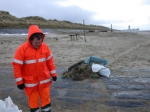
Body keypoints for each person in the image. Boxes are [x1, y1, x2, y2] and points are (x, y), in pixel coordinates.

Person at [12, 25, 57, 112]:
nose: (38, 44)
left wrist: (53, 74)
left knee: (46, 102)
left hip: (45, 81)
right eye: (36, 43)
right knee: (33, 104)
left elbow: (50, 62)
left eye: (40, 42)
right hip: (31, 84)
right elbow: (17, 67)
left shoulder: (45, 47)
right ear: (30, 40)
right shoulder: (22, 50)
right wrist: (19, 82)